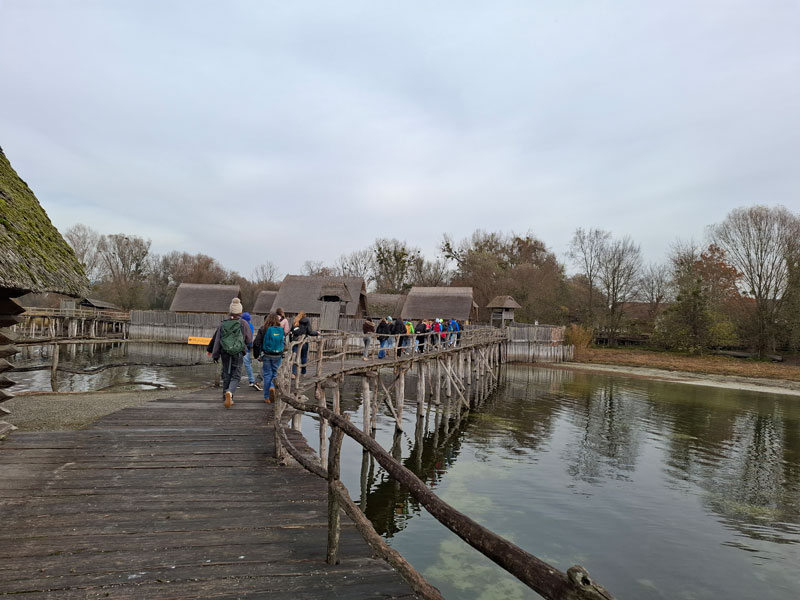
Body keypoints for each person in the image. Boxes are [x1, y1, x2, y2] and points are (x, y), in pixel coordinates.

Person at [211, 298, 253, 408]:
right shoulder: (243, 323)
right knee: (236, 375)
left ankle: (225, 396)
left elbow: (217, 340)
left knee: (226, 374)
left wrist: (215, 355)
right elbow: (249, 340)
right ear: (240, 311)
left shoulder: (223, 324)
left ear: (230, 311)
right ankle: (230, 392)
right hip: (238, 352)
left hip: (224, 352)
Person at [253, 312, 284, 403]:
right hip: (277, 355)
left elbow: (256, 343)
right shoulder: (280, 330)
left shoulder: (263, 329)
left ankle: (267, 397)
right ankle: (272, 387)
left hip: (266, 354)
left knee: (267, 374)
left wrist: (256, 355)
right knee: (275, 374)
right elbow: (283, 343)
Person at [290, 311, 320, 377]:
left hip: (295, 342)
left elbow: (291, 331)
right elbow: (310, 332)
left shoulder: (295, 321)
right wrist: (317, 333)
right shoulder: (306, 321)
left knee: (294, 357)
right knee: (303, 357)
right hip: (304, 342)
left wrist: (291, 341)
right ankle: (303, 372)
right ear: (304, 315)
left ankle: (293, 373)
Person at [240, 312, 262, 390]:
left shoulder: (240, 325)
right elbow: (250, 337)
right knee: (248, 365)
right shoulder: (251, 326)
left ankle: (236, 381)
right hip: (247, 347)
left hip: (240, 347)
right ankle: (251, 380)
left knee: (238, 365)